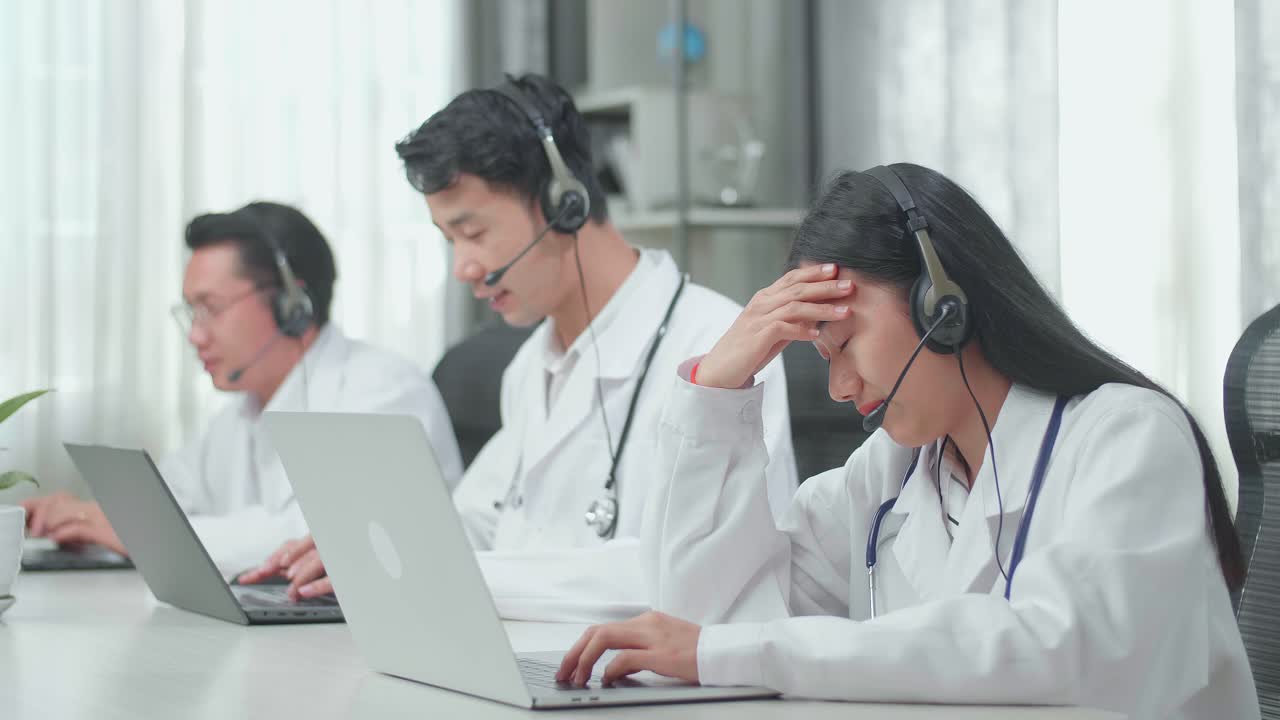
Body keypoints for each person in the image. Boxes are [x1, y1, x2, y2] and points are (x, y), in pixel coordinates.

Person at [556, 163, 1258, 719]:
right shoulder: (887, 475)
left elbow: (1064, 655)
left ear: (941, 304)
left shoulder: (1128, 438)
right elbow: (708, 620)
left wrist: (733, 652)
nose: (837, 387)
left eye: (844, 343)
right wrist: (717, 386)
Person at [242, 74, 799, 620]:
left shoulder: (720, 349)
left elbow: (701, 571)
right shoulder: (531, 364)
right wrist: (365, 550)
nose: (463, 267)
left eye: (475, 232)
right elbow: (476, 522)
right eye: (450, 241)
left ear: (564, 203)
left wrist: (445, 571)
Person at [23, 202, 463, 573]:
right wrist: (86, 517)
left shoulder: (382, 391)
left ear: (293, 304)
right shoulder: (239, 415)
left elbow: (314, 536)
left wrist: (136, 529)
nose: (195, 335)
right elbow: (169, 499)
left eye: (210, 309)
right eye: (190, 312)